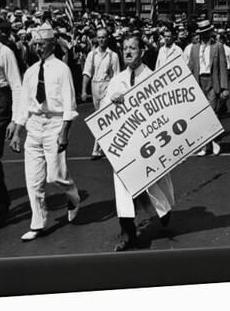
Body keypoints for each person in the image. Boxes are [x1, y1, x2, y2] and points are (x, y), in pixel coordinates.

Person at [10, 23, 81, 242]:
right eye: (35, 44)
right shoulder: (31, 72)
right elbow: (25, 104)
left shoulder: (62, 69)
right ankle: (38, 223)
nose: (38, 48)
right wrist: (17, 130)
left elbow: (70, 104)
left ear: (52, 44)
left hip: (55, 125)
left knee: (55, 175)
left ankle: (73, 196)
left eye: (42, 44)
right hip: (34, 127)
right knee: (33, 180)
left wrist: (64, 132)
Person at [104, 35, 175, 251]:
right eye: (125, 48)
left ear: (141, 51)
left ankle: (164, 210)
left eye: (132, 48)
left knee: (154, 181)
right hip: (125, 144)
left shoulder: (152, 78)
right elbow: (104, 116)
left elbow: (165, 109)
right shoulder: (116, 81)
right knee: (123, 187)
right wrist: (112, 102)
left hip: (148, 141)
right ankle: (128, 234)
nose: (127, 52)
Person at [186, 20, 229, 156]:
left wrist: (224, 87)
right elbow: (191, 67)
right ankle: (206, 146)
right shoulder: (194, 48)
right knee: (202, 116)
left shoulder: (218, 46)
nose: (204, 36)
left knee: (212, 114)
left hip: (212, 81)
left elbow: (222, 67)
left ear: (210, 33)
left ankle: (215, 140)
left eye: (206, 33)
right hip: (199, 81)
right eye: (202, 33)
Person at [81, 28, 120, 159]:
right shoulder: (92, 55)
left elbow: (116, 76)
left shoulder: (113, 56)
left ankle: (96, 149)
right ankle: (106, 145)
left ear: (107, 38)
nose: (101, 40)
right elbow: (87, 73)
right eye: (99, 37)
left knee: (101, 118)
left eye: (104, 37)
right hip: (95, 86)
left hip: (107, 86)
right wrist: (83, 90)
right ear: (96, 39)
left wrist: (116, 92)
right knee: (101, 117)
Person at [0, 31, 23, 225]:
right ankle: (0, 199)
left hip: (0, 102)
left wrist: (15, 120)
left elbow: (16, 86)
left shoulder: (4, 52)